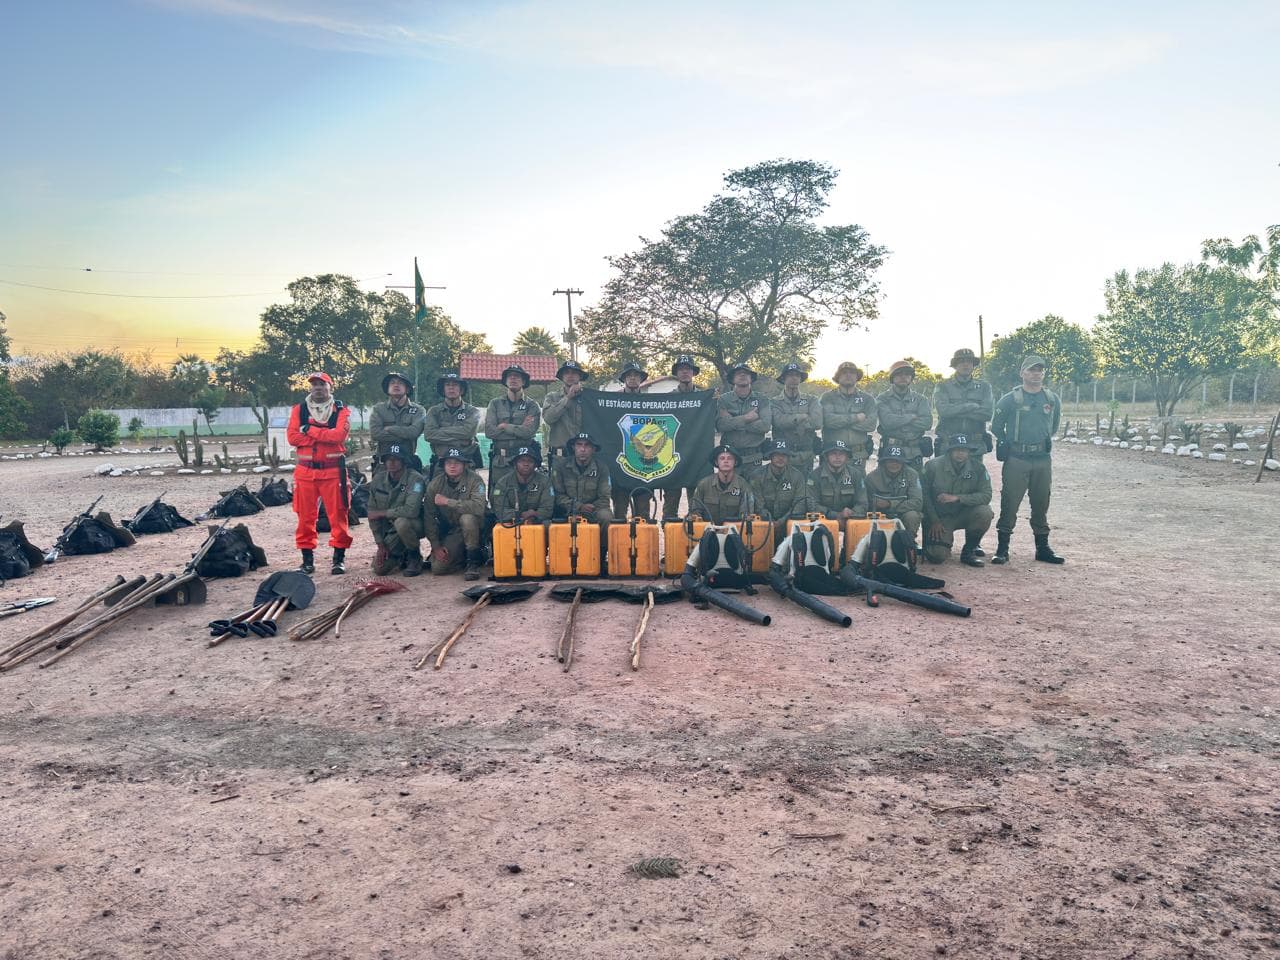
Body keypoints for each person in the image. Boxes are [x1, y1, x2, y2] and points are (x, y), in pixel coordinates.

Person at [990, 355, 1064, 565]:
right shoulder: (1010, 399)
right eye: (1031, 370)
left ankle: (1042, 548)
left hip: (1042, 458)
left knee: (1041, 502)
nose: (1036, 374)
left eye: (1039, 370)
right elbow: (996, 426)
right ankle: (1002, 549)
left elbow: (1053, 425)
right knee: (1010, 502)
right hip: (1017, 458)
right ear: (1022, 373)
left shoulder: (1051, 398)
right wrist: (1009, 442)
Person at [287, 371, 352, 574]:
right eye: (314, 384)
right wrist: (324, 435)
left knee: (338, 515)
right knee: (304, 517)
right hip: (305, 472)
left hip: (333, 471)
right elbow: (293, 438)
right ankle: (307, 562)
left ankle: (338, 560)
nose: (318, 388)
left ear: (330, 387)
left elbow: (339, 436)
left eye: (322, 384)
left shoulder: (340, 411)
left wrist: (309, 430)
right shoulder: (299, 410)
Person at [922, 434, 993, 567]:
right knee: (936, 556)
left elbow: (986, 495)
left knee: (984, 513)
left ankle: (969, 551)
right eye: (957, 450)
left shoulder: (978, 468)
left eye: (964, 450)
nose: (960, 453)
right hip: (940, 517)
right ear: (950, 451)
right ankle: (942, 542)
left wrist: (958, 498)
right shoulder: (932, 466)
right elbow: (924, 496)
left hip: (963, 513)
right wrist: (934, 520)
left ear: (969, 452)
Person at [423, 446, 487, 579]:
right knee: (438, 568)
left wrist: (448, 502)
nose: (452, 466)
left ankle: (473, 561)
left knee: (467, 518)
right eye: (448, 463)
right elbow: (429, 517)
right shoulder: (435, 485)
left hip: (476, 527)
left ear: (464, 465)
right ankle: (464, 556)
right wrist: (436, 546)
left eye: (457, 463)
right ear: (443, 466)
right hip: (453, 530)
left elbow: (478, 507)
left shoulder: (475, 480)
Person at [366, 443, 426, 576]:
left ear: (404, 461)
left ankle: (414, 556)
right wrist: (381, 544)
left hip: (414, 525)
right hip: (390, 530)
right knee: (380, 569)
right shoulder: (378, 479)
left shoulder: (416, 479)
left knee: (401, 522)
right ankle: (400, 555)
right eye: (388, 459)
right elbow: (372, 514)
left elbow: (411, 511)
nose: (391, 462)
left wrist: (382, 513)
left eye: (396, 459)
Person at [552, 432, 614, 559]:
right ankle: (560, 558)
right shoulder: (561, 466)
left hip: (593, 509)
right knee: (550, 520)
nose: (583, 449)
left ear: (593, 449)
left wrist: (589, 508)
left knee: (606, 517)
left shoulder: (602, 468)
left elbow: (604, 497)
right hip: (567, 509)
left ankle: (600, 556)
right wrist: (578, 506)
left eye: (587, 445)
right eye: (579, 445)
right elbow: (557, 495)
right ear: (573, 447)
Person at [485, 364, 542, 495]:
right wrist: (519, 429)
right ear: (505, 381)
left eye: (517, 376)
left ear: (524, 381)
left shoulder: (532, 405)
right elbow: (489, 432)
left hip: (523, 460)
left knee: (524, 497)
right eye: (510, 376)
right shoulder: (495, 404)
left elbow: (529, 432)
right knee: (498, 497)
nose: (513, 379)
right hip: (501, 461)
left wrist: (504, 426)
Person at [659, 355, 702, 520]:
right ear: (676, 373)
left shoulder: (705, 398)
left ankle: (695, 534)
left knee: (696, 506)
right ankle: (669, 533)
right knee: (670, 505)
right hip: (672, 454)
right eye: (681, 369)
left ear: (693, 372)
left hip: (696, 454)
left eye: (688, 369)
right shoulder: (668, 398)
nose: (685, 372)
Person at [611, 361, 654, 521]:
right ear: (624, 379)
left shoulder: (651, 402)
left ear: (641, 379)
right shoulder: (613, 401)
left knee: (643, 515)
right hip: (620, 463)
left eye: (636, 375)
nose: (633, 378)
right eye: (629, 375)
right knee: (619, 514)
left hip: (643, 465)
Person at [819, 362, 876, 478]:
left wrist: (841, 421)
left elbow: (871, 425)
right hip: (832, 454)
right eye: (844, 373)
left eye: (852, 372)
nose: (848, 375)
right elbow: (828, 421)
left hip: (857, 454)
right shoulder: (828, 397)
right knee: (830, 485)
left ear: (857, 376)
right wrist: (856, 418)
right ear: (838, 377)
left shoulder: (867, 399)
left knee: (858, 485)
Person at [934, 348, 994, 454]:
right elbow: (943, 411)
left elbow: (987, 414)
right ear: (955, 365)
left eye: (969, 362)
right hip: (948, 444)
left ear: (973, 365)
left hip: (975, 446)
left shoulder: (984, 387)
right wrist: (969, 407)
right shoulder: (943, 386)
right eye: (961, 361)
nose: (965, 364)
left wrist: (954, 410)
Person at [876, 360, 933, 471]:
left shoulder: (920, 399)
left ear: (911, 378)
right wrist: (911, 417)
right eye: (899, 374)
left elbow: (927, 423)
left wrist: (898, 421)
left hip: (914, 451)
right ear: (892, 377)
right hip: (890, 451)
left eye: (907, 374)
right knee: (886, 480)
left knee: (916, 480)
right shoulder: (883, 399)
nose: (903, 377)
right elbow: (887, 422)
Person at [749, 438, 810, 541]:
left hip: (789, 523)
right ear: (770, 456)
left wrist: (781, 522)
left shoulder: (797, 476)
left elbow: (799, 504)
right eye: (777, 455)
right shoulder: (757, 476)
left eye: (784, 455)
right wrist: (771, 522)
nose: (781, 458)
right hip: (764, 523)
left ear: (788, 457)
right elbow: (758, 505)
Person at [424, 372, 482, 478]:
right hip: (441, 463)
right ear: (443, 390)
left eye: (455, 385)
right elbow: (429, 435)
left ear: (462, 390)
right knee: (435, 488)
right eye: (447, 385)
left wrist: (440, 431)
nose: (451, 388)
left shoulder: (472, 411)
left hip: (466, 463)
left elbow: (468, 433)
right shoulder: (434, 411)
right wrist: (461, 440)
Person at [863, 444, 924, 542]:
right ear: (884, 462)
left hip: (903, 512)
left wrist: (890, 504)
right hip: (879, 514)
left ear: (903, 463)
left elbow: (917, 502)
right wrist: (874, 504)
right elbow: (865, 502)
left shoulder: (912, 475)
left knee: (912, 516)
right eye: (890, 461)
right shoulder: (871, 478)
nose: (894, 464)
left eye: (898, 461)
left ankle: (908, 543)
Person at [689, 444, 763, 523]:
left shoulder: (743, 486)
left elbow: (746, 516)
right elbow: (695, 512)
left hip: (736, 529)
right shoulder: (704, 484)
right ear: (716, 462)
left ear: (735, 462)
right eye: (722, 458)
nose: (726, 461)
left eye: (730, 458)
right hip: (707, 529)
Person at [716, 363, 772, 465]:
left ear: (751, 378)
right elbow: (721, 425)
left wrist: (733, 421)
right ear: (733, 379)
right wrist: (746, 418)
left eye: (746, 373)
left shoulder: (762, 399)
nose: (742, 375)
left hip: (754, 457)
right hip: (730, 458)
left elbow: (765, 426)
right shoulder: (723, 400)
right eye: (738, 373)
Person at [541, 360, 590, 474]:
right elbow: (548, 418)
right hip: (560, 457)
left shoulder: (588, 398)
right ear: (562, 376)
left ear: (580, 376)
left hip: (584, 457)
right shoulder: (552, 397)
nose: (570, 375)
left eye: (574, 373)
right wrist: (568, 398)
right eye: (567, 372)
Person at [369, 372, 426, 469]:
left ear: (407, 389)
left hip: (408, 462)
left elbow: (414, 432)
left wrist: (390, 429)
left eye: (400, 383)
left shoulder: (418, 410)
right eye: (392, 383)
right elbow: (375, 434)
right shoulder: (378, 409)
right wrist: (405, 436)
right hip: (384, 463)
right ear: (387, 388)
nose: (396, 385)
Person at [770, 362, 822, 469]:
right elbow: (779, 422)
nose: (794, 378)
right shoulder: (775, 402)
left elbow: (817, 423)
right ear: (783, 378)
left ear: (800, 379)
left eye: (797, 375)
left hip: (806, 455)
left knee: (806, 480)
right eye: (790, 375)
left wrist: (789, 420)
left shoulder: (811, 400)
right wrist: (802, 417)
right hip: (782, 455)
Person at [807, 438, 867, 520]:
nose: (837, 457)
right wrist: (835, 515)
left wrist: (852, 513)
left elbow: (863, 503)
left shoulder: (856, 475)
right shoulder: (815, 476)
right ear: (826, 456)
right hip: (824, 521)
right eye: (833, 453)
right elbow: (811, 504)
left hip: (849, 520)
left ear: (847, 457)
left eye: (841, 454)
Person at [493, 446, 554, 525]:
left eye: (530, 461)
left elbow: (547, 509)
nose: (526, 464)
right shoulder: (503, 483)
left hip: (537, 523)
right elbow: (500, 510)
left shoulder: (545, 482)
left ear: (535, 464)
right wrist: (521, 515)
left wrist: (535, 514)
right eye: (522, 461)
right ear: (515, 463)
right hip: (511, 524)